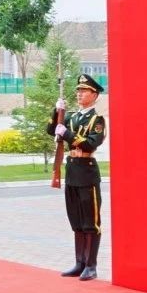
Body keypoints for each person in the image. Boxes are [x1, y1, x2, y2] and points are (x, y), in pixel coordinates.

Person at [47, 73, 106, 281]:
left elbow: (90, 143)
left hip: (87, 173)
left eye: (84, 91)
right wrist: (57, 111)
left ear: (94, 95)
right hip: (72, 172)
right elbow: (51, 130)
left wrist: (68, 134)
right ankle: (79, 263)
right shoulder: (71, 117)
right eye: (78, 91)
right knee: (77, 221)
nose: (80, 94)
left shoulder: (97, 120)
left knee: (91, 222)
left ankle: (91, 265)